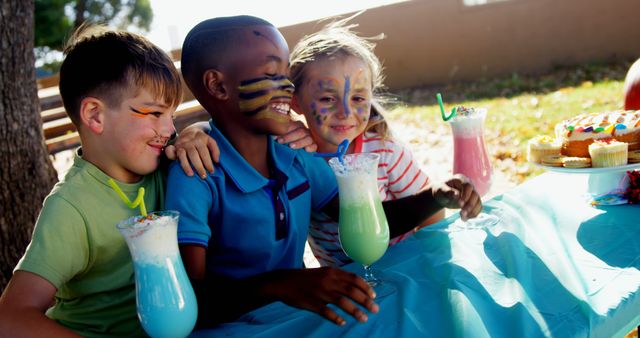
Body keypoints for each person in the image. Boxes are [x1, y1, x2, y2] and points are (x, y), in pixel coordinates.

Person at [165, 15, 482, 329]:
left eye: (286, 74)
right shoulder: (196, 172)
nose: (288, 87)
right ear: (218, 85)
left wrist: (435, 196)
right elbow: (191, 301)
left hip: (302, 316)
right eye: (273, 72)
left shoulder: (295, 154)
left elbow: (361, 217)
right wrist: (282, 284)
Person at [0, 25, 183, 336]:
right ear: (95, 116)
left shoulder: (168, 165)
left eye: (172, 116)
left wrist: (199, 133)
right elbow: (11, 316)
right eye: (154, 113)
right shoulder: (71, 207)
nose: (168, 129)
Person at [289, 16, 445, 267]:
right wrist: (199, 128)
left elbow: (431, 212)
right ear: (295, 101)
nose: (345, 112)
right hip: (345, 283)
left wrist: (432, 261)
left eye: (358, 99)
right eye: (328, 98)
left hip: (401, 268)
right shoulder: (294, 158)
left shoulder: (385, 152)